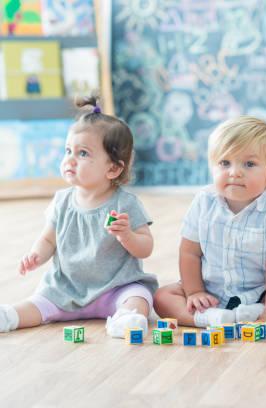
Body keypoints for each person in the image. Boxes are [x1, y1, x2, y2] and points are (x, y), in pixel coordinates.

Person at [0, 95, 158, 338]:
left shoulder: (124, 203)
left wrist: (127, 236)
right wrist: (36, 255)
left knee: (140, 296)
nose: (70, 160)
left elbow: (146, 247)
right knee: (38, 303)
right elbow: (48, 240)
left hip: (115, 288)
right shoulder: (62, 201)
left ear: (113, 168)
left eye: (82, 153)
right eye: (68, 151)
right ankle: (9, 316)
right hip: (65, 290)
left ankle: (127, 318)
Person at [154, 116, 266, 332]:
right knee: (162, 297)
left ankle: (256, 311)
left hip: (258, 291)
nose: (235, 172)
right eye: (225, 163)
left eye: (249, 164)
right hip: (210, 291)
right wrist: (195, 292)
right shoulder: (204, 202)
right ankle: (209, 318)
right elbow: (189, 253)